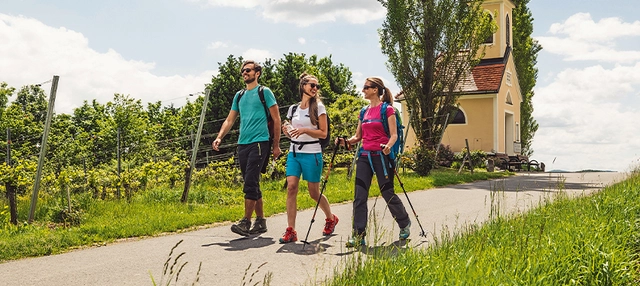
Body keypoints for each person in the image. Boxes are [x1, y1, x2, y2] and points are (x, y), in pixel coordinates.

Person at [338, 77, 411, 247]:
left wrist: (388, 146)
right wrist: (345, 142)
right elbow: (358, 137)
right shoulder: (363, 112)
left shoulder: (388, 110)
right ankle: (358, 235)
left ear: (375, 90)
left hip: (381, 156)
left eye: (366, 87)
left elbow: (393, 135)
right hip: (364, 156)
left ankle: (404, 223)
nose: (363, 90)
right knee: (359, 196)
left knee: (387, 193)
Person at [212, 60, 281, 236]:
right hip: (243, 143)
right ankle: (261, 221)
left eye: (248, 70)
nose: (244, 73)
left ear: (257, 73)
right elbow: (230, 119)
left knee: (250, 180)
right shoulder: (239, 95)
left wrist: (276, 145)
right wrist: (219, 137)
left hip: (260, 141)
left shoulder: (264, 92)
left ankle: (246, 222)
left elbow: (277, 119)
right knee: (251, 181)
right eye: (243, 70)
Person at [278, 73, 339, 243]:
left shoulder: (319, 107)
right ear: (303, 85)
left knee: (314, 192)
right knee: (291, 188)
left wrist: (305, 130)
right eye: (312, 85)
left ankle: (330, 218)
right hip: (294, 152)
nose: (315, 89)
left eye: (317, 86)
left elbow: (323, 133)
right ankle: (291, 230)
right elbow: (292, 129)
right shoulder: (293, 109)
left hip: (312, 152)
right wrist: (287, 130)